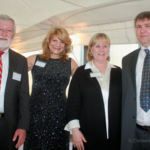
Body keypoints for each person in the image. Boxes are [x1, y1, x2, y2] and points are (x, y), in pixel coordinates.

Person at [24, 26, 78, 150]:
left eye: (62, 42)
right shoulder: (34, 59)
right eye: (55, 40)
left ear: (66, 45)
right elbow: (14, 78)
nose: (58, 45)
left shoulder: (71, 63)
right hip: (35, 114)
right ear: (48, 41)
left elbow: (82, 88)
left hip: (60, 115)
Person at [65, 33, 122, 150]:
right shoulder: (81, 73)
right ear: (90, 49)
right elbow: (72, 104)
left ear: (109, 49)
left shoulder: (119, 72)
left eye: (105, 46)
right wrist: (75, 130)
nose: (101, 50)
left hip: (116, 135)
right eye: (97, 46)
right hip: (88, 135)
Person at [0, 14, 30, 150]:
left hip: (9, 127)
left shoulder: (21, 61)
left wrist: (23, 126)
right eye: (0, 29)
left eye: (9, 30)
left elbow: (24, 96)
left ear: (13, 34)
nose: (4, 34)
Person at [121, 11, 150, 150]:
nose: (142, 30)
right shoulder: (127, 60)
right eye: (138, 26)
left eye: (147, 25)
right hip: (134, 133)